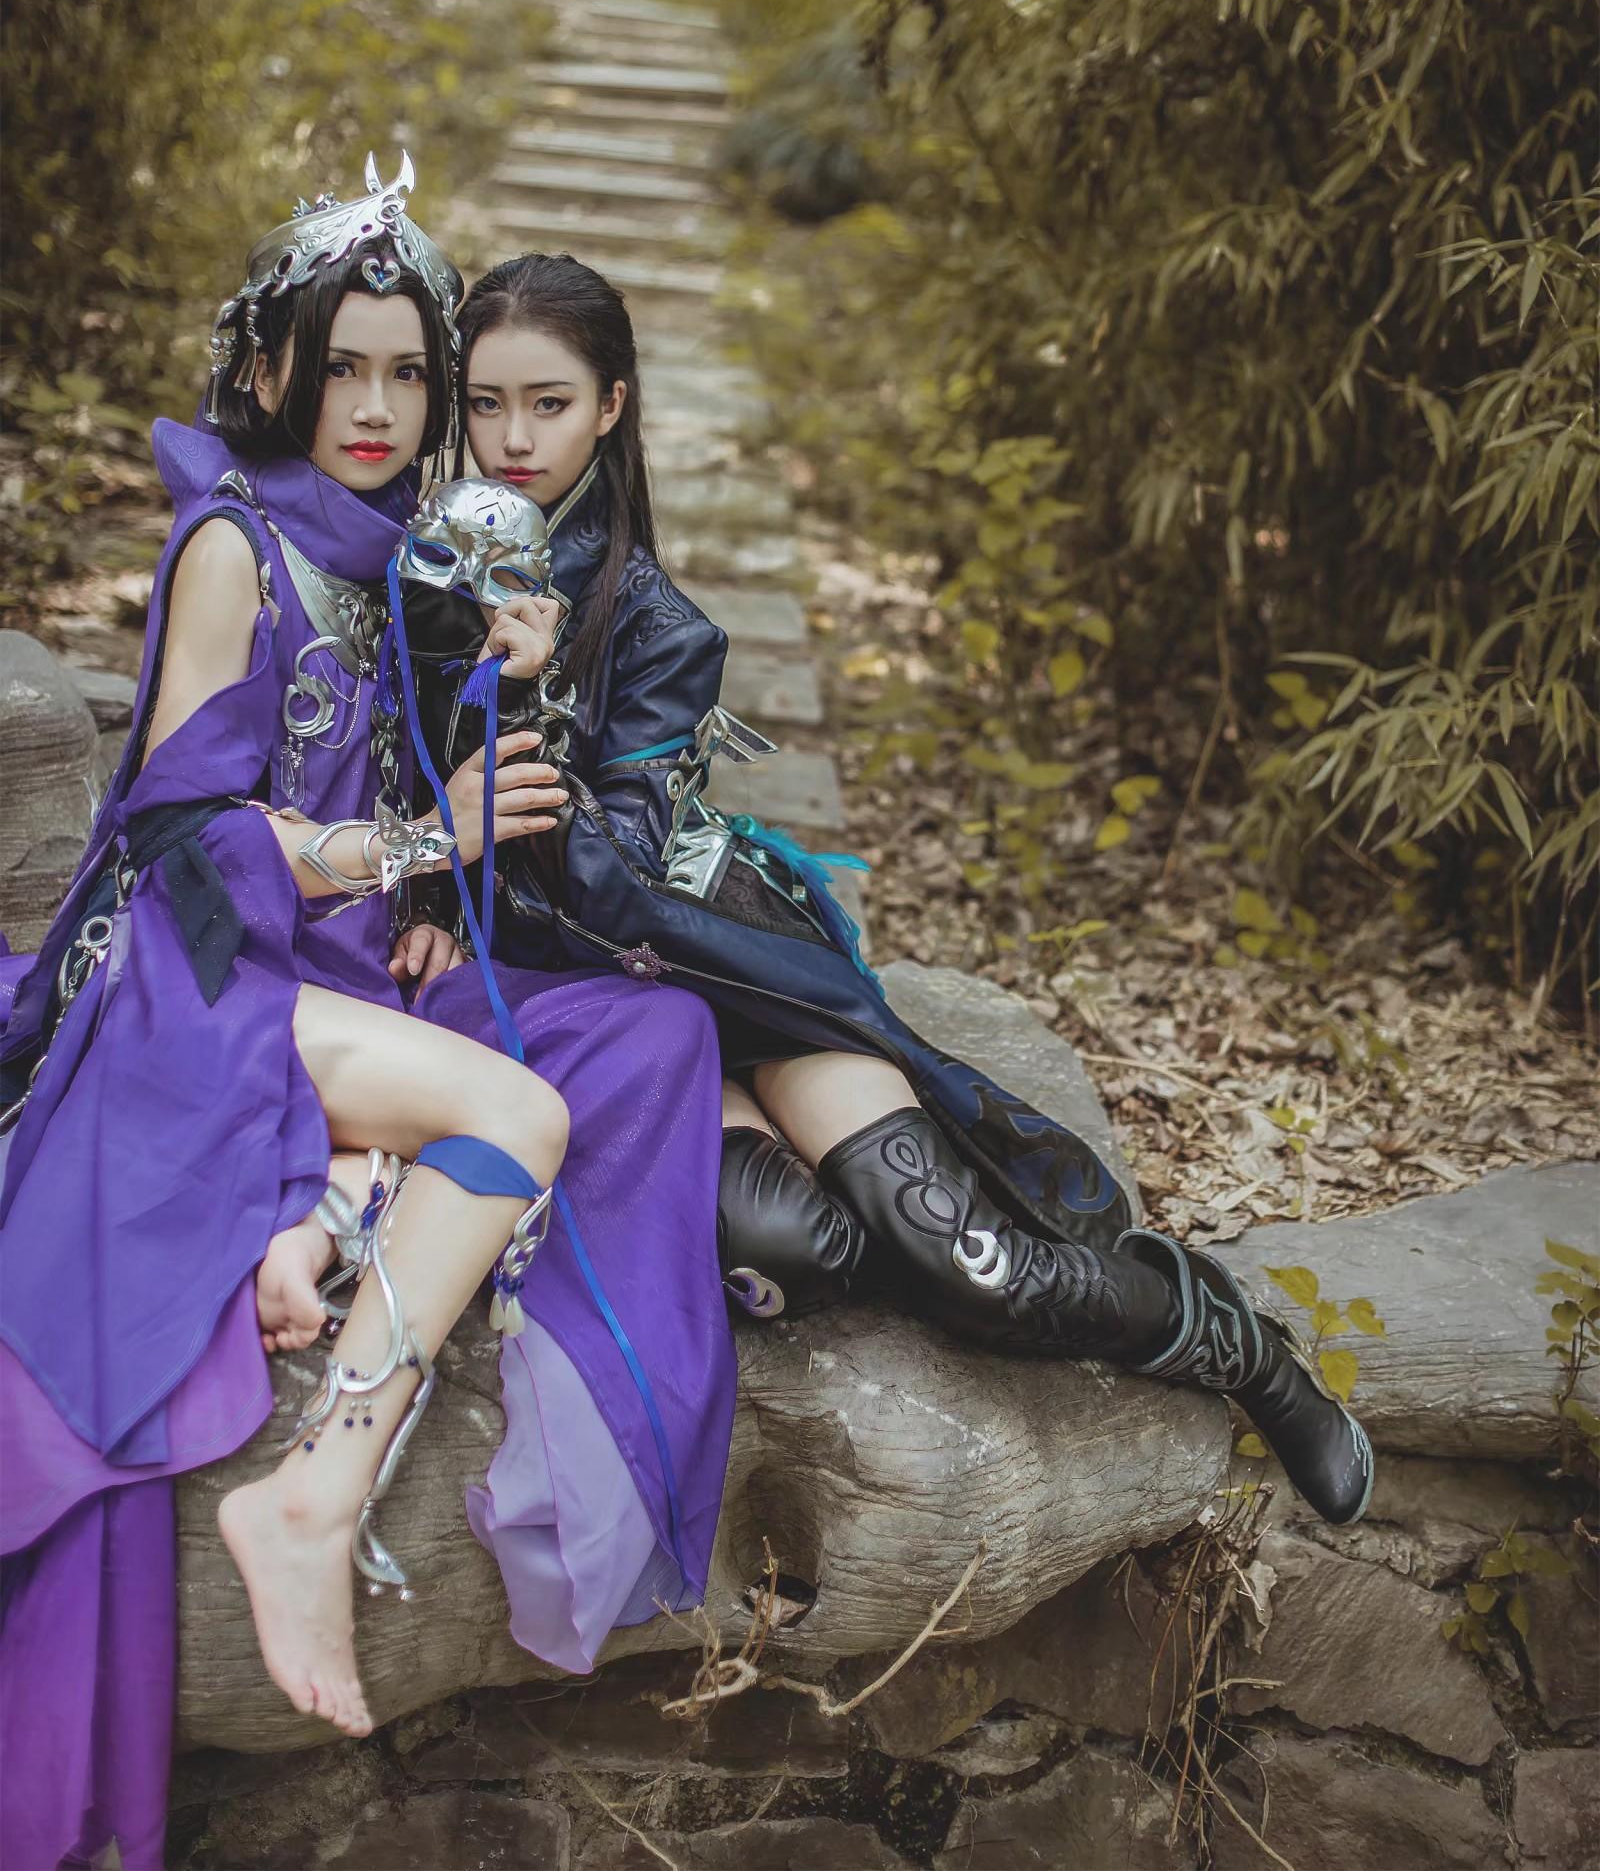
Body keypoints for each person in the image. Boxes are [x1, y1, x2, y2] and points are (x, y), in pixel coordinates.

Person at [0, 169, 733, 1871]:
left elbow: (428, 787)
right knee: (519, 1113)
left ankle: (323, 1208)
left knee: (645, 1040)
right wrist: (413, 850)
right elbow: (186, 832)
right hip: (196, 974)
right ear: (274, 369)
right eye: (346, 367)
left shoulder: (411, 551)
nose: (380, 407)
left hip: (332, 964)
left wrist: (484, 756)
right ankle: (315, 1490)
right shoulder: (235, 547)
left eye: (411, 373)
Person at [403, 250, 1374, 1533]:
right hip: (600, 1018)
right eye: (485, 404)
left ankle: (1227, 1338)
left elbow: (620, 881)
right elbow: (385, 787)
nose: (514, 440)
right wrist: (421, 898)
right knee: (788, 1250)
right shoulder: (419, 578)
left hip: (715, 970)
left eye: (550, 403)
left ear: (612, 408)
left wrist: (527, 696)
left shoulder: (658, 627)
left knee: (976, 1269)